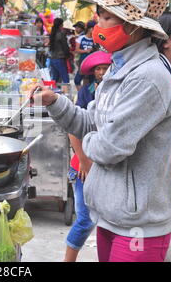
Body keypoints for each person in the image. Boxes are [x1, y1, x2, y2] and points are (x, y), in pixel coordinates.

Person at [30, 0, 171, 262]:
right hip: (111, 213)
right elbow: (91, 123)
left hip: (138, 226)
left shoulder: (148, 77)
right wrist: (55, 102)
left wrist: (98, 137)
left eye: (107, 16)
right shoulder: (117, 67)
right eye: (99, 14)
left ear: (133, 26)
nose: (98, 22)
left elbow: (110, 148)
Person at [65, 51, 111, 262]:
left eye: (105, 68)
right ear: (92, 73)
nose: (101, 72)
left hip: (103, 164)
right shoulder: (85, 93)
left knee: (105, 220)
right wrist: (84, 161)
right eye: (98, 69)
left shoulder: (114, 92)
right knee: (85, 220)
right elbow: (73, 129)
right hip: (84, 164)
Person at [48, 18, 71, 90]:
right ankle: (66, 94)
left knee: (54, 78)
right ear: (61, 25)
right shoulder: (61, 34)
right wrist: (68, 56)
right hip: (60, 58)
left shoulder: (52, 34)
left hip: (52, 58)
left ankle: (53, 93)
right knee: (65, 79)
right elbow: (65, 47)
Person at [74, 20, 96, 90]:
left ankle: (88, 96)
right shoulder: (81, 38)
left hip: (92, 63)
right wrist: (86, 51)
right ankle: (82, 94)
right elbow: (77, 50)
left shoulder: (95, 39)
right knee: (77, 80)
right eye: (94, 29)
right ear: (90, 29)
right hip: (83, 62)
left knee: (90, 80)